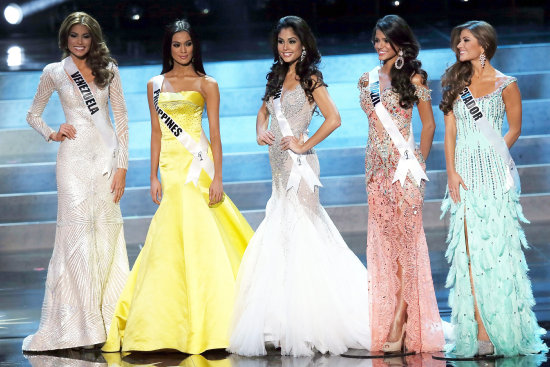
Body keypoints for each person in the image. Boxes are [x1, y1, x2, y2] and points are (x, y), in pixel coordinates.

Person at [102, 19, 253, 354]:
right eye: (176, 44)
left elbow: (215, 135)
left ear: (194, 46)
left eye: (188, 44)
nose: (183, 50)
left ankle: (213, 321)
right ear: (167, 48)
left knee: (203, 238)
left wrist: (218, 177)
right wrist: (152, 174)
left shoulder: (207, 83)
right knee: (169, 241)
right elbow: (156, 132)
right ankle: (170, 323)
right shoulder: (154, 84)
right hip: (171, 169)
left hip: (199, 167)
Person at [228, 15, 370, 357]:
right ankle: (282, 321)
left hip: (300, 167)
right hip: (277, 167)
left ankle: (310, 322)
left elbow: (334, 119)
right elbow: (263, 114)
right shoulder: (276, 78)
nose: (286, 47)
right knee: (284, 237)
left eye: (292, 41)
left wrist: (303, 145)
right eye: (281, 42)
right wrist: (259, 130)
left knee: (303, 233)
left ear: (303, 44)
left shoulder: (311, 78)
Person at [22, 11, 130, 351]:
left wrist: (123, 167)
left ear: (93, 38)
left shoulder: (109, 70)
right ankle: (80, 324)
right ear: (65, 39)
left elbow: (122, 119)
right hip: (71, 159)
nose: (79, 42)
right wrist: (52, 132)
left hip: (104, 157)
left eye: (85, 36)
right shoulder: (54, 72)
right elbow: (32, 113)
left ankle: (106, 318)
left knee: (104, 232)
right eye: (74, 36)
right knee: (75, 234)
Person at [440, 20, 548, 357]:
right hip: (465, 176)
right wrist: (451, 172)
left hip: (493, 174)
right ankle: (479, 334)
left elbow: (514, 128)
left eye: (466, 40)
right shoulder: (454, 81)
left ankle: (501, 332)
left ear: (483, 45)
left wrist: (496, 157)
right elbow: (450, 132)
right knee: (469, 254)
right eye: (458, 40)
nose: (459, 45)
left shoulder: (506, 84)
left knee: (498, 251)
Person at [358, 14, 444, 354]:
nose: (379, 46)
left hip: (405, 172)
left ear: (400, 43)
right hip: (375, 173)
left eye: (385, 40)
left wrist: (416, 165)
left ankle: (400, 320)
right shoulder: (366, 80)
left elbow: (429, 125)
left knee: (407, 247)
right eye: (376, 40)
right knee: (387, 248)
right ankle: (396, 314)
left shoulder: (415, 77)